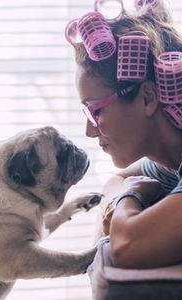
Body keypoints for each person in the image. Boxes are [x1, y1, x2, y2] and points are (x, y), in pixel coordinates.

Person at [65, 0, 182, 271]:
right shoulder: (169, 158)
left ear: (147, 97)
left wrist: (131, 195)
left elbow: (127, 246)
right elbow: (116, 180)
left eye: (95, 110)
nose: (89, 130)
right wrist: (126, 191)